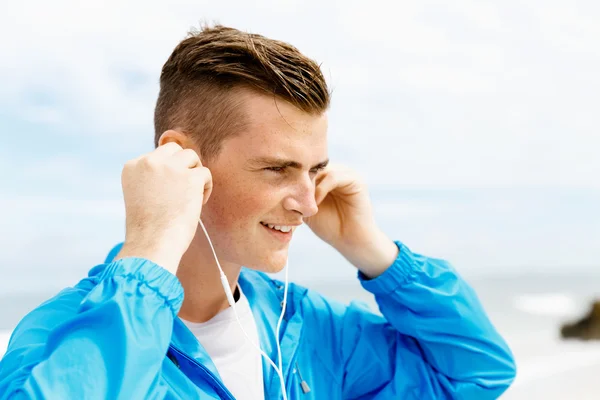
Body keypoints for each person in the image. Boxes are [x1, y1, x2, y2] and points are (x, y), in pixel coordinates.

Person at [0, 25, 516, 399]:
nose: (309, 202)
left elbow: (475, 374)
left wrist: (374, 252)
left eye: (314, 169)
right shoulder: (60, 336)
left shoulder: (304, 325)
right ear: (181, 158)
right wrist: (152, 248)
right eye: (276, 169)